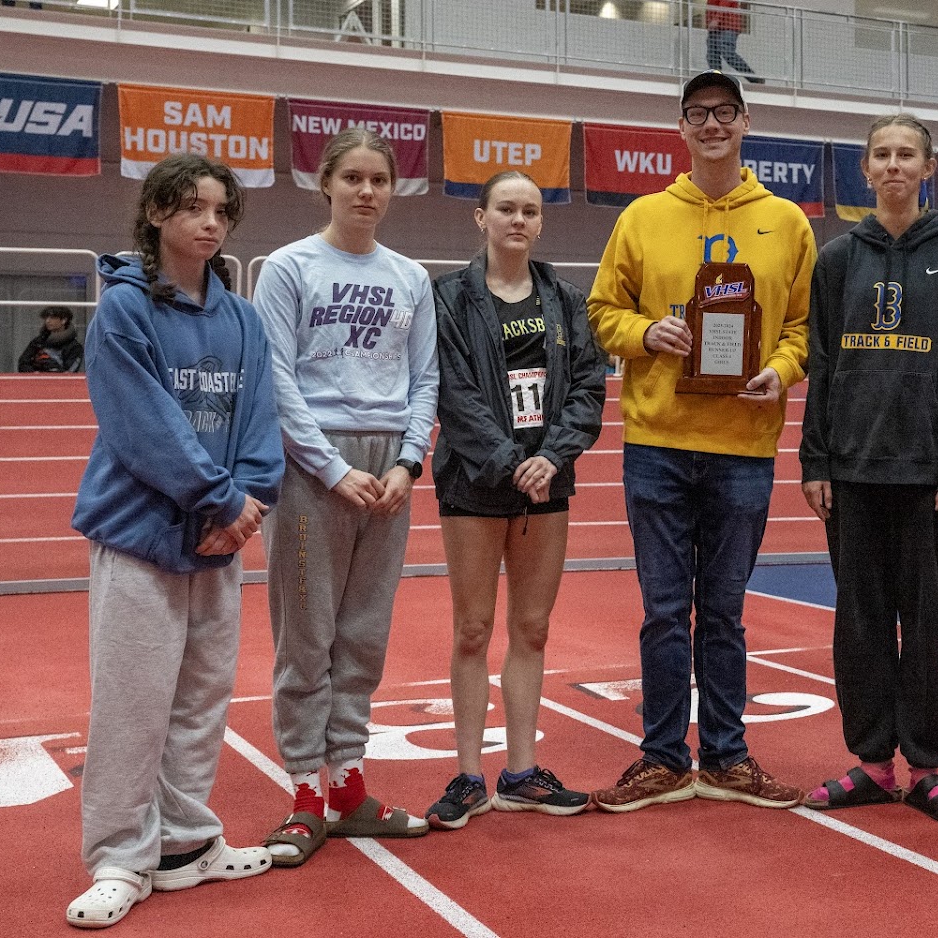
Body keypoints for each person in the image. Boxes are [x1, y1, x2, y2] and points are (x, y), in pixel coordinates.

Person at [65, 153, 282, 929]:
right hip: (141, 535)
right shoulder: (124, 311)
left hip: (218, 540)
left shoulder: (243, 318)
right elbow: (143, 426)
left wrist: (251, 501)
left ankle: (186, 844)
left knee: (200, 699)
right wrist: (223, 500)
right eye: (193, 207)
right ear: (157, 212)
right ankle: (120, 858)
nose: (210, 222)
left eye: (221, 210)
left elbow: (260, 419)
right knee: (133, 704)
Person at [587, 70, 812, 812]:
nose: (712, 124)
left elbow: (803, 327)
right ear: (681, 129)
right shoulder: (643, 216)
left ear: (745, 123)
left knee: (722, 613)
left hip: (743, 445)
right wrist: (646, 332)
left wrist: (782, 371)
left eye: (724, 112)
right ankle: (661, 757)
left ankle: (726, 756)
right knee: (662, 611)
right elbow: (602, 311)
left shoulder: (787, 221)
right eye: (697, 114)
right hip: (656, 440)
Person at [252, 128, 439, 865]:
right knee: (307, 635)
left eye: (379, 180)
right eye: (353, 178)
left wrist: (409, 462)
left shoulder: (411, 276)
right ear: (325, 182)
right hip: (313, 464)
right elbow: (276, 377)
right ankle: (305, 791)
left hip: (388, 468)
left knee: (363, 633)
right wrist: (331, 469)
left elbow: (425, 378)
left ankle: (348, 787)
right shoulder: (288, 268)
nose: (366, 191)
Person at [798, 114, 938, 822]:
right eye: (883, 154)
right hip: (851, 473)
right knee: (860, 625)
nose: (895, 165)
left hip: (930, 477)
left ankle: (929, 766)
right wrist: (816, 458)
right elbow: (821, 363)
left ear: (928, 168)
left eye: (908, 154)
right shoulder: (837, 258)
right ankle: (873, 761)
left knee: (928, 627)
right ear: (866, 169)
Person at [426, 171, 606, 827]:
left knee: (532, 628)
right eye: (506, 208)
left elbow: (588, 386)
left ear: (540, 221)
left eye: (530, 210)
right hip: (475, 482)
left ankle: (522, 772)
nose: (518, 220)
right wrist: (510, 463)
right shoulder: (448, 297)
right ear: (481, 217)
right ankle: (469, 775)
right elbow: (454, 394)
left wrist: (551, 457)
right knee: (473, 629)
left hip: (546, 483)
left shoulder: (565, 299)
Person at [704, 0, 765, 84]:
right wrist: (709, 23)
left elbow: (725, 3)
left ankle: (754, 78)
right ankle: (716, 79)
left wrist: (716, 20)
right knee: (712, 55)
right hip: (715, 28)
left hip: (728, 26)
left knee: (728, 54)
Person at [18, 305, 85, 372]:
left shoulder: (74, 347)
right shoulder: (38, 342)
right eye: (46, 318)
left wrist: (52, 370)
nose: (47, 321)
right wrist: (34, 373)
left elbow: (69, 372)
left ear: (63, 320)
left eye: (52, 318)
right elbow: (23, 363)